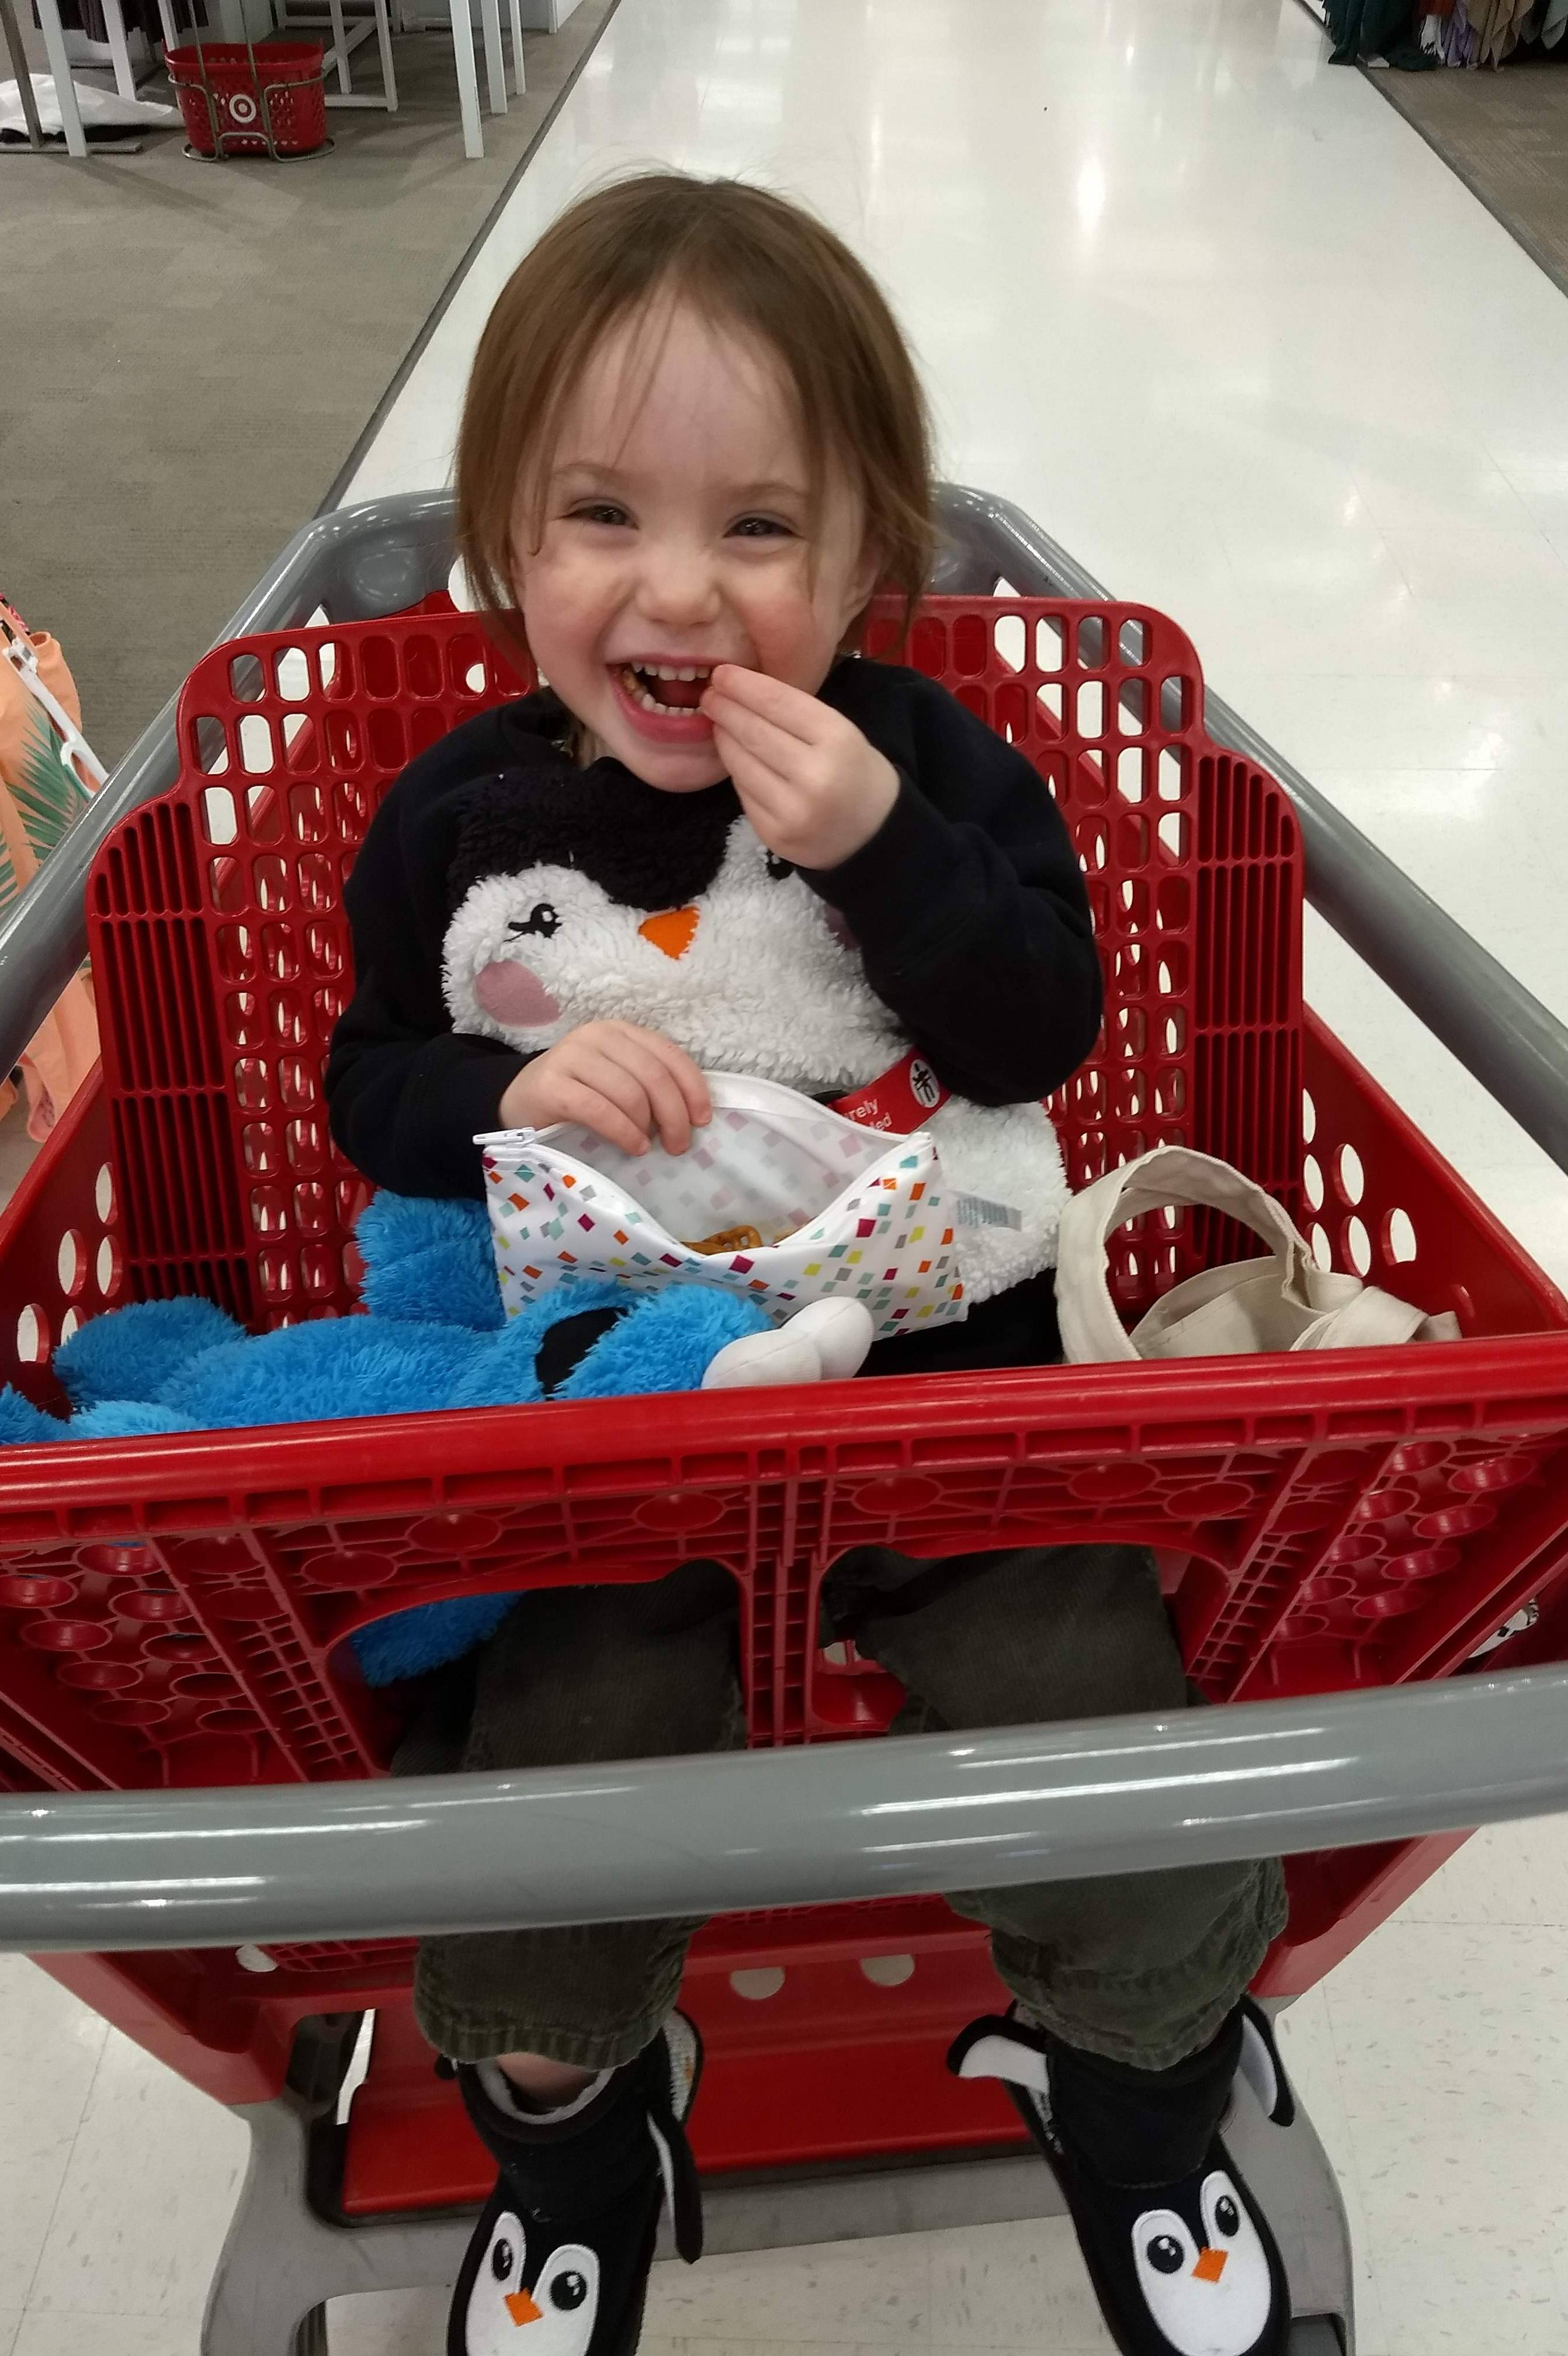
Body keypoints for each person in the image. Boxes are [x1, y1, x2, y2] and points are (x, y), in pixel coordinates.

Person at [324, 172, 1291, 2356]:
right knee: (551, 1778)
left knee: (1097, 1724)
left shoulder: (930, 768)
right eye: (600, 514)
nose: (678, 588)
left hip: (954, 1375)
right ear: (507, 548)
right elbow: (364, 1082)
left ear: (865, 568)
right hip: (624, 1403)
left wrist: (878, 848)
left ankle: (1133, 2095)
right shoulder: (457, 820)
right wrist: (498, 1092)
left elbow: (1039, 1028)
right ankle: (577, 2129)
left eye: (757, 527)